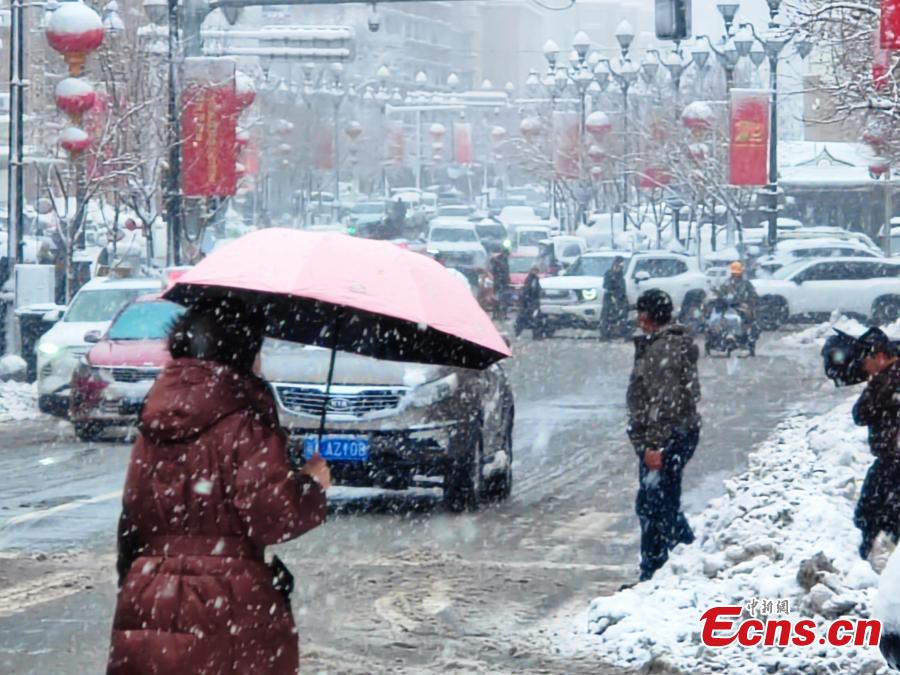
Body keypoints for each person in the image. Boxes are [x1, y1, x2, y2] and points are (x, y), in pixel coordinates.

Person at [107, 298, 330, 675]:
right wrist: (311, 484)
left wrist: (141, 582)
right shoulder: (245, 422)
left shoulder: (154, 418)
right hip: (229, 600)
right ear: (240, 354)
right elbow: (272, 517)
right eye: (258, 351)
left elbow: (131, 521)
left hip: (148, 594)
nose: (261, 362)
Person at [626, 289, 702, 582]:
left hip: (666, 439)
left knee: (656, 506)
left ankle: (662, 569)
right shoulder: (665, 344)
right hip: (673, 435)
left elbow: (664, 401)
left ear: (645, 317)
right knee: (658, 503)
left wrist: (655, 444)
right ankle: (665, 568)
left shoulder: (663, 349)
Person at [851, 327, 900, 560]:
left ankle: (880, 568)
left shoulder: (888, 380)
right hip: (891, 461)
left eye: (865, 361)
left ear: (879, 356)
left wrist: (873, 384)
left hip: (894, 463)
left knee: (875, 514)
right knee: (874, 513)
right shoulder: (889, 378)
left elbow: (860, 414)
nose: (863, 367)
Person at [716, 261, 759, 335]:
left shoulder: (745, 283)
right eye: (734, 273)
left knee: (747, 315)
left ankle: (747, 331)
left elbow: (753, 294)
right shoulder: (727, 283)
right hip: (728, 305)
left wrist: (749, 301)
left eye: (737, 273)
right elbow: (721, 292)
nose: (736, 275)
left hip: (740, 304)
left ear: (741, 273)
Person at [600, 257, 629, 340]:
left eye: (621, 265)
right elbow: (606, 285)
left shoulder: (621, 274)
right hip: (610, 297)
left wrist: (620, 295)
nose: (620, 266)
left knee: (621, 316)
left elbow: (622, 287)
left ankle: (619, 332)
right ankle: (605, 334)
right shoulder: (609, 273)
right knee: (607, 316)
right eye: (619, 264)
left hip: (619, 297)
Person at [515, 264, 543, 337]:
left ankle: (536, 333)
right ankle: (520, 331)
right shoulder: (530, 279)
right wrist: (528, 299)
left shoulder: (535, 279)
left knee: (534, 317)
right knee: (527, 317)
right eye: (534, 270)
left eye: (536, 271)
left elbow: (536, 289)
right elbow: (528, 290)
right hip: (529, 301)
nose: (535, 272)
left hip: (533, 301)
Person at [490, 247, 511, 319]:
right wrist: (499, 277)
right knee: (497, 299)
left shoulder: (505, 260)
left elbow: (506, 272)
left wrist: (507, 279)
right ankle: (496, 314)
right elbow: (493, 271)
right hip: (499, 283)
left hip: (503, 283)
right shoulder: (497, 260)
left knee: (504, 299)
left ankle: (502, 314)